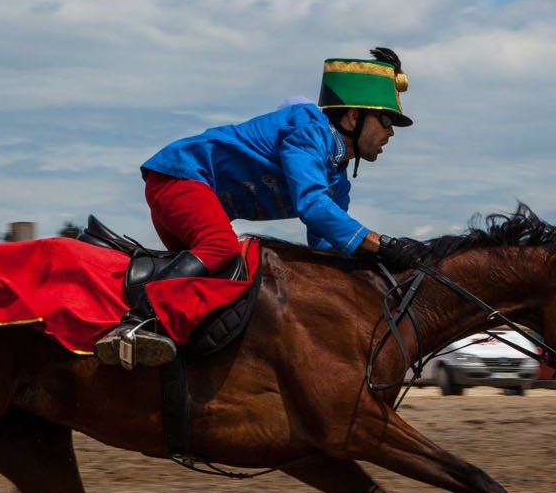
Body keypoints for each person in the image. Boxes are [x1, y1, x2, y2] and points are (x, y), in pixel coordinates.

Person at [94, 47, 428, 368]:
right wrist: (382, 244)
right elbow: (311, 205)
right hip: (180, 176)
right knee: (222, 247)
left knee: (220, 286)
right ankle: (136, 321)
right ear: (354, 117)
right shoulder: (309, 129)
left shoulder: (337, 180)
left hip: (184, 187)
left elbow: (327, 248)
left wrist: (379, 269)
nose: (390, 133)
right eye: (386, 120)